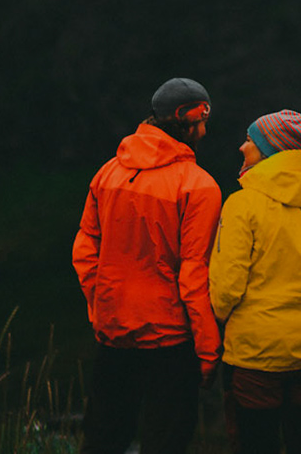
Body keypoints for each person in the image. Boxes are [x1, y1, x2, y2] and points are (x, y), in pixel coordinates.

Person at [72, 76, 224, 454]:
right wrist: (207, 351)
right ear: (181, 118)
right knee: (165, 441)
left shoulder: (107, 173)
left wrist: (100, 302)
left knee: (103, 438)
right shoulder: (199, 186)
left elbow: (85, 248)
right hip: (169, 339)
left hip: (113, 330)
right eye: (201, 120)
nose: (204, 130)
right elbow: (193, 276)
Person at [210, 110, 301, 454]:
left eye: (250, 141)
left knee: (257, 443)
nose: (241, 147)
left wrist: (223, 324)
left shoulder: (241, 205)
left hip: (257, 355)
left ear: (270, 151)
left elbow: (226, 289)